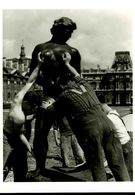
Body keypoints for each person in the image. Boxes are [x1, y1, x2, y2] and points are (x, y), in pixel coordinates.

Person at [46, 52, 130, 181]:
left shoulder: (64, 96)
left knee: (97, 164)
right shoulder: (86, 85)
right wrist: (67, 63)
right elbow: (76, 75)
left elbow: (50, 111)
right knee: (117, 162)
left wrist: (46, 105)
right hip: (108, 124)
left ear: (61, 86)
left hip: (92, 129)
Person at [28, 17, 81, 178]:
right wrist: (48, 82)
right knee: (40, 132)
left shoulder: (73, 51)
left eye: (71, 32)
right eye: (68, 31)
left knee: (81, 130)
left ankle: (89, 162)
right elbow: (33, 74)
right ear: (57, 29)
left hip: (67, 95)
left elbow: (77, 75)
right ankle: (40, 167)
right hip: (49, 95)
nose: (70, 34)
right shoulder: (41, 48)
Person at [3, 53, 42, 181]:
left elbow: (30, 80)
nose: (33, 109)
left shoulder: (19, 97)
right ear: (28, 104)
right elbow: (20, 136)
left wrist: (39, 64)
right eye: (32, 107)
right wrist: (31, 150)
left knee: (20, 162)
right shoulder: (19, 116)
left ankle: (19, 179)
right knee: (4, 164)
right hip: (9, 137)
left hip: (15, 130)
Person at [100, 101, 133, 181]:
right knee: (129, 169)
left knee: (126, 170)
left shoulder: (109, 118)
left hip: (123, 146)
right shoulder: (114, 114)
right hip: (127, 142)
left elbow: (105, 133)